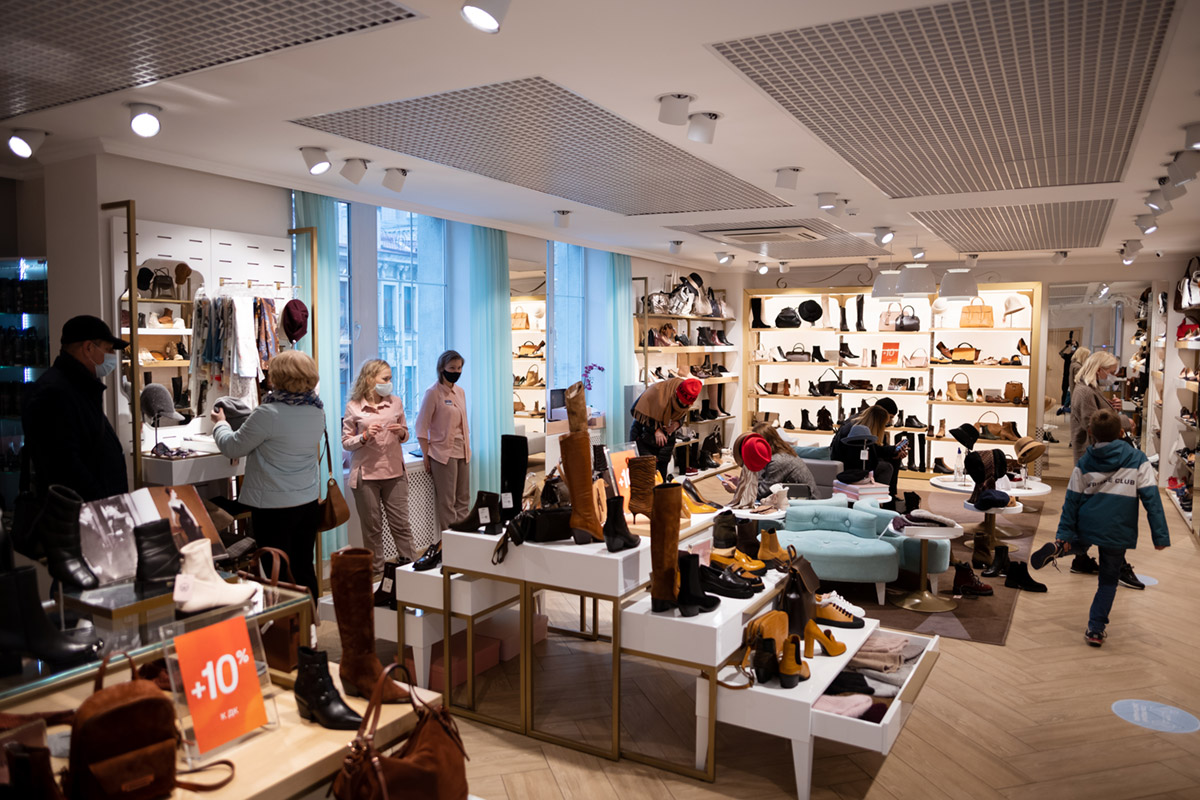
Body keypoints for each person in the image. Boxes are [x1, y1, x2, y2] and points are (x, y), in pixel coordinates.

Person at [1032, 410, 1168, 647]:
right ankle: (1095, 629)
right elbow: (1151, 499)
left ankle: (1060, 548)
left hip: (1088, 521)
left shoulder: (1085, 462)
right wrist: (1160, 535)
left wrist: (1063, 534)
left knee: (1079, 543)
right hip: (1118, 527)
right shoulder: (1138, 459)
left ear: (1090, 433)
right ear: (1121, 432)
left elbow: (1071, 501)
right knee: (1107, 580)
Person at [210, 349, 325, 599]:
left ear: (279, 377)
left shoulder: (268, 413)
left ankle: (285, 620)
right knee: (303, 567)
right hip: (307, 502)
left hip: (274, 506)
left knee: (277, 570)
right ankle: (309, 621)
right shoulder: (316, 410)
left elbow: (232, 447)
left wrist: (220, 424)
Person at [22, 315, 130, 502]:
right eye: (108, 349)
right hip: (81, 513)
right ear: (88, 348)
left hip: (97, 509)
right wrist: (99, 501)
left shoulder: (81, 388)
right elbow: (63, 465)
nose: (112, 355)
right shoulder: (54, 393)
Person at [343, 359, 413, 573]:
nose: (389, 382)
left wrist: (401, 432)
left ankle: (410, 567)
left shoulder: (396, 403)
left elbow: (406, 434)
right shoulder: (354, 406)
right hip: (366, 476)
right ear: (369, 379)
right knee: (372, 529)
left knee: (401, 525)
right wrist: (364, 436)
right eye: (385, 378)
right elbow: (346, 443)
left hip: (394, 473)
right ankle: (377, 573)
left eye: (390, 378)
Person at [415, 350, 470, 533]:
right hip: (443, 454)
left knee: (463, 499)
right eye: (452, 368)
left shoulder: (460, 392)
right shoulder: (433, 393)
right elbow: (421, 427)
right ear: (441, 368)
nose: (456, 371)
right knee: (447, 502)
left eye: (459, 368)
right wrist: (425, 454)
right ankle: (452, 540)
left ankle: (465, 537)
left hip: (463, 451)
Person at [830, 399, 905, 501]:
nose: (889, 422)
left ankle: (890, 496)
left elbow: (873, 449)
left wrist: (893, 450)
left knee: (893, 459)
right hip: (850, 463)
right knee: (886, 467)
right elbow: (870, 456)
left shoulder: (863, 423)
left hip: (855, 459)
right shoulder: (858, 430)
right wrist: (891, 452)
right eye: (890, 418)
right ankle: (880, 498)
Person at [629, 376, 702, 478]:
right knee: (647, 478)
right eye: (681, 401)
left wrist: (677, 424)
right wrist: (656, 429)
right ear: (676, 393)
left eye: (686, 404)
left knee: (661, 478)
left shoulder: (686, 397)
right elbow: (636, 410)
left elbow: (682, 413)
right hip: (644, 437)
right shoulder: (657, 391)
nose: (683, 406)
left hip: (666, 441)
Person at [751, 423, 818, 499]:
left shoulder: (778, 460)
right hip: (800, 499)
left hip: (806, 502)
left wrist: (742, 490)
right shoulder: (782, 453)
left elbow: (763, 492)